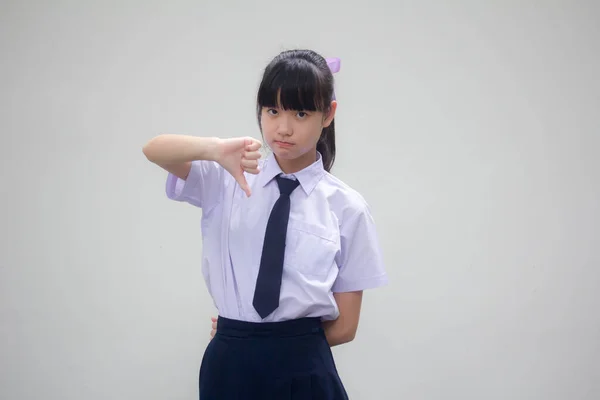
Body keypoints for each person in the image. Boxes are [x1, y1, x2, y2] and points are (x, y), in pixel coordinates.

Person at [143, 49, 388, 399]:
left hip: (305, 368)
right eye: (272, 111)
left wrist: (274, 342)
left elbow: (346, 327)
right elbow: (155, 150)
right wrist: (214, 149)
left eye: (301, 113)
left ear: (328, 114)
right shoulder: (227, 178)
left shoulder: (347, 208)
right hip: (229, 365)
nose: (283, 128)